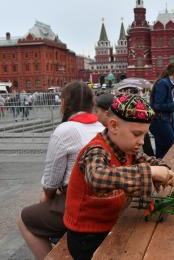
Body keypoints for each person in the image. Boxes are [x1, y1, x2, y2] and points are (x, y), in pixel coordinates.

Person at [63, 94, 174, 259]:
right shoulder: (96, 150)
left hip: (112, 223)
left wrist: (165, 170)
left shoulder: (127, 148)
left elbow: (150, 161)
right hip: (87, 237)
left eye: (144, 135)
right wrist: (150, 172)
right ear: (114, 126)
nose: (141, 142)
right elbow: (97, 177)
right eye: (137, 134)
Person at [17, 81, 104, 260]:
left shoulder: (64, 130)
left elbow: (51, 182)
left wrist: (46, 199)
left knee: (24, 218)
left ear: (64, 103)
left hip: (80, 202)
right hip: (103, 200)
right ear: (92, 104)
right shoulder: (102, 128)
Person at [150, 61, 174, 158]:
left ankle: (161, 170)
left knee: (162, 152)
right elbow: (157, 105)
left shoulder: (168, 83)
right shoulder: (163, 83)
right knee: (173, 149)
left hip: (162, 121)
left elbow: (165, 104)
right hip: (160, 122)